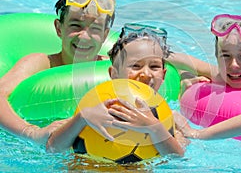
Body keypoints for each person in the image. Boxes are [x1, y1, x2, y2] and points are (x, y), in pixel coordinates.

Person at [46, 23, 186, 157]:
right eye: (136, 66)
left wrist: (153, 127)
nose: (146, 74)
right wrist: (82, 118)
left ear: (163, 75)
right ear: (114, 74)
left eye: (154, 67)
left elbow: (177, 157)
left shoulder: (168, 117)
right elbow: (53, 148)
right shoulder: (96, 106)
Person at [0, 0, 116, 144]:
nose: (84, 36)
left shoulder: (114, 67)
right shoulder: (41, 63)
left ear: (105, 35)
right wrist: (32, 132)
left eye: (95, 29)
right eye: (75, 25)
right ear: (59, 28)